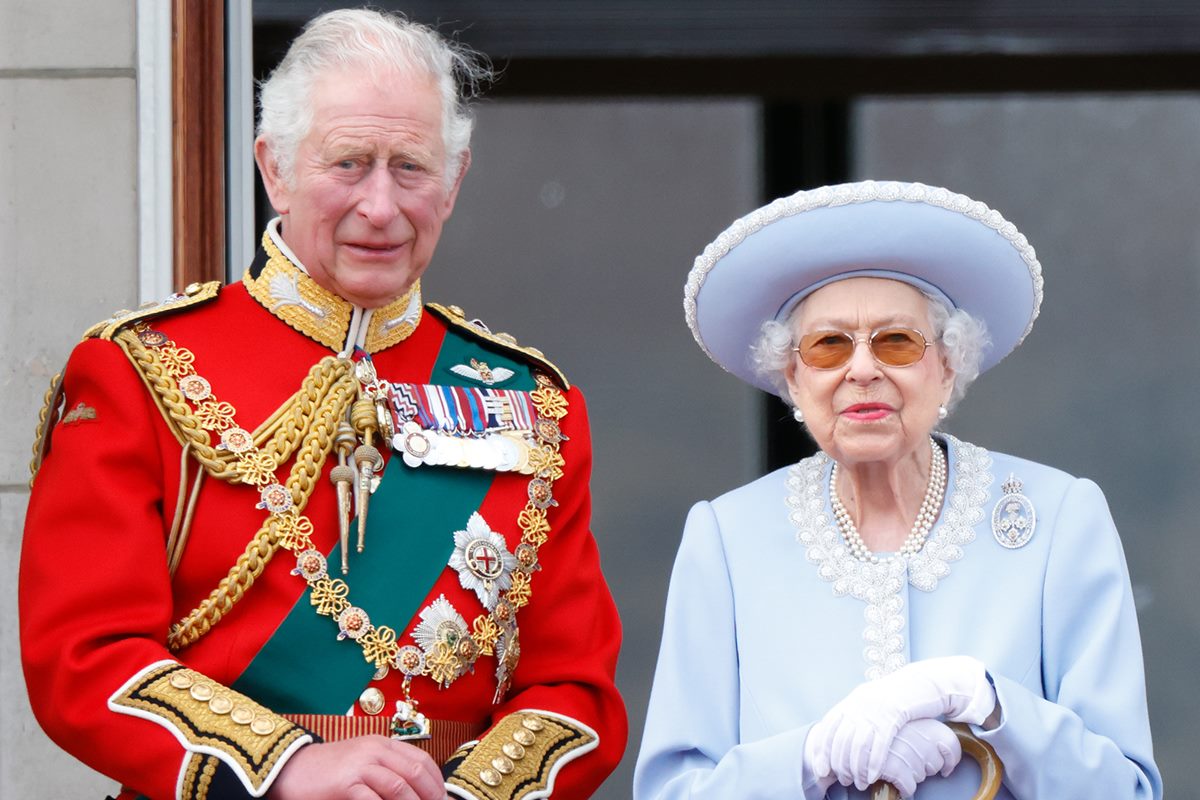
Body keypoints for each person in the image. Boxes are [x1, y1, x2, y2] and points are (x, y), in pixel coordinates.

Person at [20, 9, 625, 800]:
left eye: (410, 167)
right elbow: (83, 655)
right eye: (348, 163)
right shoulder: (142, 370)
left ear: (454, 181)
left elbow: (576, 693)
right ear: (274, 170)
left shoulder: (534, 404)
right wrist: (285, 767)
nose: (380, 206)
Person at [633, 180, 1161, 799]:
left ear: (948, 367)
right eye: (829, 346)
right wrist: (809, 758)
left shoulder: (1060, 519)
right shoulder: (726, 538)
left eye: (897, 341)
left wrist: (984, 701)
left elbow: (1126, 791)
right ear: (793, 378)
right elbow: (671, 792)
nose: (862, 369)